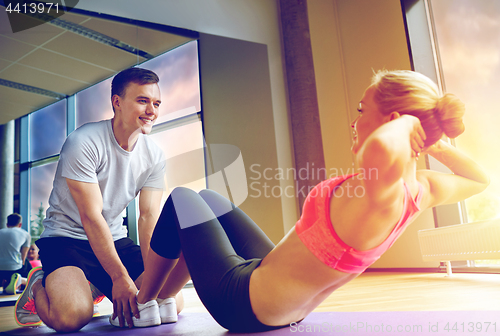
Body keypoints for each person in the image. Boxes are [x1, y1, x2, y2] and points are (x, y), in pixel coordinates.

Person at [127, 70, 489, 332]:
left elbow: (378, 149)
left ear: (393, 123)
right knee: (209, 199)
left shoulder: (381, 194)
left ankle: (144, 303)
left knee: (182, 199)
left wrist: (409, 125)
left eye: (363, 111)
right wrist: (432, 139)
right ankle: (162, 301)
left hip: (242, 304)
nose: (354, 121)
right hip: (278, 298)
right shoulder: (418, 190)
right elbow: (479, 179)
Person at [15, 67, 185, 331]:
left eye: (156, 103)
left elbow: (148, 217)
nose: (152, 110)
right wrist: (119, 277)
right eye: (143, 101)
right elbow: (91, 216)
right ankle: (37, 283)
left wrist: (152, 279)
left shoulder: (154, 155)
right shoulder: (84, 141)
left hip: (114, 239)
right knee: (70, 317)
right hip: (65, 239)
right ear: (117, 102)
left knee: (171, 299)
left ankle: (93, 283)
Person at [0, 214, 31, 295]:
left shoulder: (1, 231)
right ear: (20, 224)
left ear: (7, 224)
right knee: (26, 264)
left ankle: (8, 283)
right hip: (15, 269)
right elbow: (23, 257)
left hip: (1, 270)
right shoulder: (25, 234)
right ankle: (20, 282)